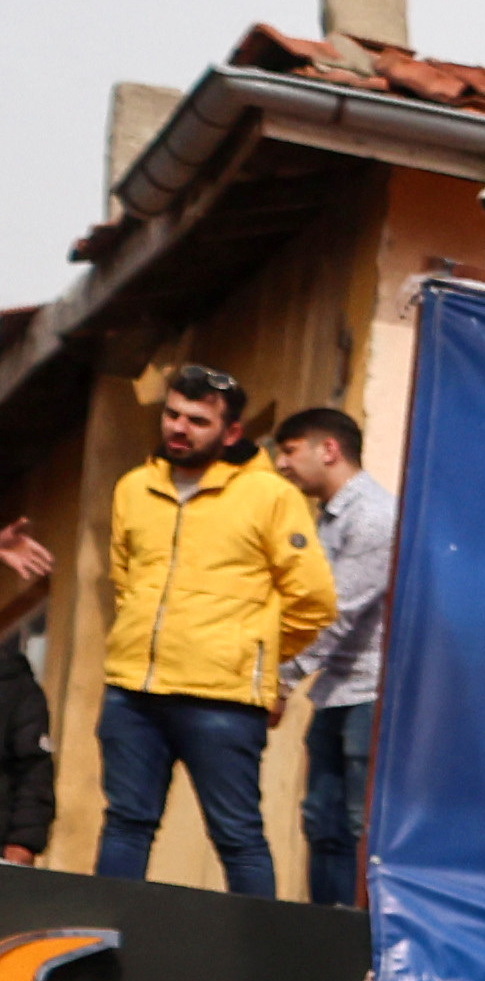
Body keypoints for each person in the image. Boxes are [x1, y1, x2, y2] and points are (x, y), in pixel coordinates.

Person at [76, 363, 329, 899]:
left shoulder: (269, 496)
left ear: (231, 432)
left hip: (223, 700)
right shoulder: (134, 488)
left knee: (236, 837)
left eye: (196, 420)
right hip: (133, 692)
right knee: (125, 823)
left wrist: (254, 653)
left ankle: (259, 966)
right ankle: (103, 952)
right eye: (172, 415)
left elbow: (313, 599)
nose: (179, 428)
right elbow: (125, 578)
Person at [261, 404, 387, 914]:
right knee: (321, 820)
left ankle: (361, 934)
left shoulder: (375, 516)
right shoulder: (327, 520)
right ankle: (324, 931)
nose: (281, 465)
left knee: (361, 824)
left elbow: (338, 613)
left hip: (372, 694)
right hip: (335, 691)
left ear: (329, 450)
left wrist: (283, 678)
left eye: (290, 451)